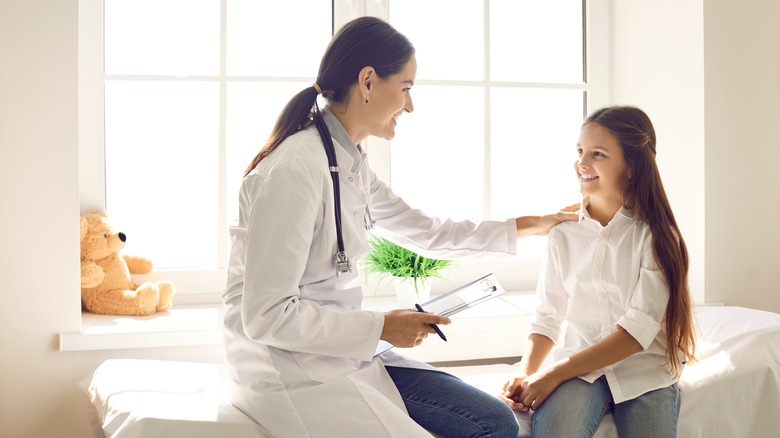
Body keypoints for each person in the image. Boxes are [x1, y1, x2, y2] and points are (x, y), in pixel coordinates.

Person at [222, 16, 575, 438]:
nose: (410, 106)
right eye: (406, 88)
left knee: (495, 421)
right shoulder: (295, 170)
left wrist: (534, 225)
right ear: (368, 82)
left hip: (341, 352)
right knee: (490, 429)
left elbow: (427, 231)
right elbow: (265, 317)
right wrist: (382, 325)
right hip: (291, 369)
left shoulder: (347, 162)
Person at [499, 105, 697, 437]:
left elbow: (636, 333)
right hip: (577, 370)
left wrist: (554, 373)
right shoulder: (562, 234)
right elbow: (548, 317)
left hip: (644, 371)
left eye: (598, 154)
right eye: (580, 151)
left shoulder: (657, 237)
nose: (582, 163)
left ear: (631, 166)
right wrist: (527, 372)